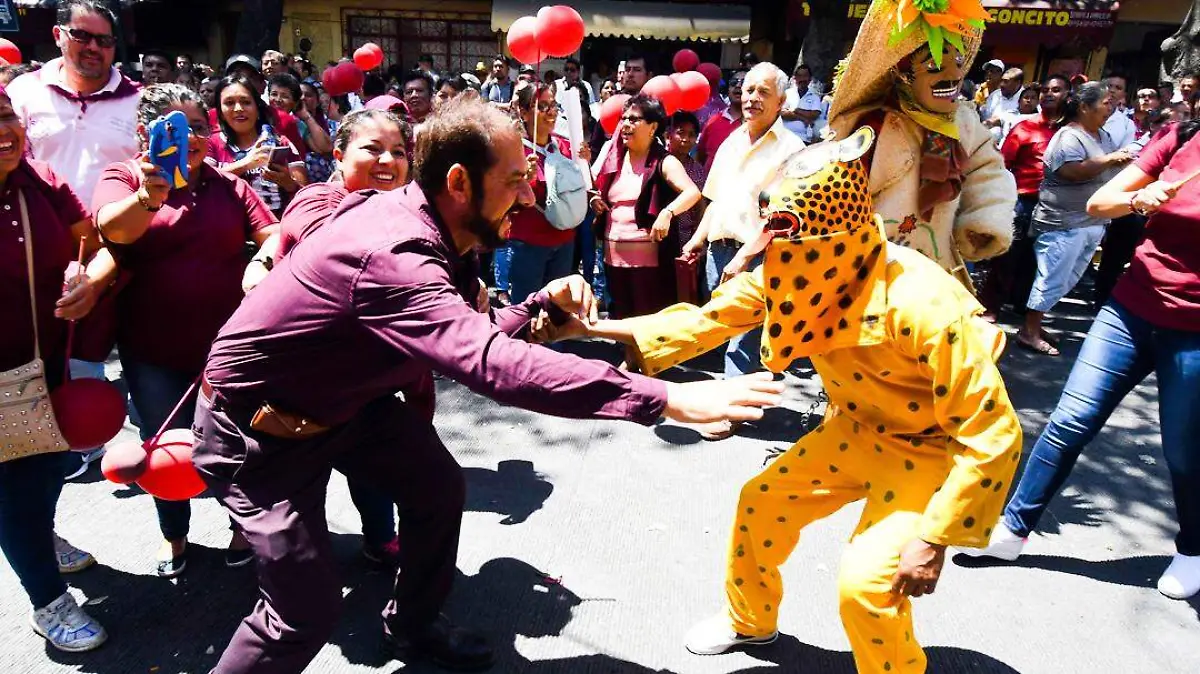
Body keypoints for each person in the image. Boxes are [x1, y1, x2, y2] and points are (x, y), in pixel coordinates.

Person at [191, 95, 783, 674]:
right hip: (257, 431)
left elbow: (464, 335)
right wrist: (667, 397)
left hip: (346, 405)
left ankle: (414, 625)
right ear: (458, 182)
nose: (529, 194)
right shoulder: (395, 253)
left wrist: (538, 308)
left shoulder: (427, 226)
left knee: (437, 488)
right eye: (514, 180)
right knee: (302, 612)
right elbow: (488, 363)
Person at [561, 127, 1021, 674]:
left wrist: (936, 535)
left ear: (833, 238)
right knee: (761, 504)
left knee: (866, 585)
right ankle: (749, 621)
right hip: (852, 432)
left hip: (927, 453)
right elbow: (704, 320)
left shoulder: (923, 302)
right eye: (771, 229)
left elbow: (993, 432)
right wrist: (587, 330)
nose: (771, 250)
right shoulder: (795, 274)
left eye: (785, 233)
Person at [966, 115, 1200, 601]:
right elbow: (1099, 202)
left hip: (1194, 333)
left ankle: (1193, 549)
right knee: (1070, 420)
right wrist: (1140, 198)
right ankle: (1013, 530)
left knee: (1183, 450)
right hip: (1130, 310)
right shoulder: (1181, 136)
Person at [94, 83, 279, 576]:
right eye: (175, 128)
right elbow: (113, 229)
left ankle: (241, 528)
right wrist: (148, 196)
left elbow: (275, 232)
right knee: (163, 447)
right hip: (151, 351)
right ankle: (174, 536)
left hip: (225, 349)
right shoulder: (126, 176)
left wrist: (260, 259)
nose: (190, 138)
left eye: (198, 127)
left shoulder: (227, 184)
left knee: (235, 443)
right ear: (145, 133)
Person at [273, 110, 414, 566]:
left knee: (373, 471)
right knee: (301, 478)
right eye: (372, 149)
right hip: (302, 380)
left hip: (367, 379)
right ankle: (300, 566)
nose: (387, 161)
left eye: (399, 152)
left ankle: (380, 539)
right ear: (338, 154)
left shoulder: (405, 214)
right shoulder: (315, 200)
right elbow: (344, 258)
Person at [7, 0, 140, 477]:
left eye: (105, 40)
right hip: (32, 246)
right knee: (35, 359)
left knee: (90, 352)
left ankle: (83, 445)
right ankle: (37, 453)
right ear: (59, 34)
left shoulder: (136, 98)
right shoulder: (23, 92)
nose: (94, 48)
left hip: (110, 250)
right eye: (83, 36)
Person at [0, 82, 110, 654]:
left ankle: (37, 536)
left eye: (5, 116)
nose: (3, 132)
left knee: (48, 468)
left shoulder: (40, 180)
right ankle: (47, 600)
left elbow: (91, 241)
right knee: (14, 485)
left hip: (47, 365)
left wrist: (89, 280)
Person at [826, 0, 1017, 289]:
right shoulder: (875, 127)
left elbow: (988, 168)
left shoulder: (963, 121)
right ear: (902, 74)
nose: (953, 75)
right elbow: (837, 204)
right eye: (935, 65)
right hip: (872, 279)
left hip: (936, 274)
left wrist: (984, 218)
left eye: (958, 61)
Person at [679, 63, 803, 441]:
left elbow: (783, 218)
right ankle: (744, 399)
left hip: (761, 256)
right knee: (723, 330)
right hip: (721, 251)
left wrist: (744, 257)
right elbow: (715, 200)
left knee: (743, 337)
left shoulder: (792, 149)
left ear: (781, 100)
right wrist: (697, 240)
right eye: (748, 90)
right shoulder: (731, 140)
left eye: (763, 92)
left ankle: (731, 413)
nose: (752, 98)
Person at [1016, 82, 1133, 355]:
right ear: (1083, 107)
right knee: (1051, 278)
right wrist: (1110, 160)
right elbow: (1071, 172)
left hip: (1091, 222)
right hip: (1062, 223)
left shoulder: (1101, 136)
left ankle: (1036, 325)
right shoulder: (1068, 137)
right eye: (1105, 102)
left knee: (1068, 279)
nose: (1111, 106)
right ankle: (1029, 331)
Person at [591, 95, 701, 317]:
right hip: (613, 261)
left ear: (652, 127)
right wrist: (595, 200)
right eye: (623, 119)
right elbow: (597, 190)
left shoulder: (665, 161)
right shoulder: (616, 159)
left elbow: (693, 193)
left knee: (645, 326)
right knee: (621, 323)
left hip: (649, 267)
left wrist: (667, 212)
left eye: (634, 119)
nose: (626, 125)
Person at [980, 74, 1069, 322]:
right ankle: (991, 306)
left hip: (1055, 206)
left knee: (1037, 258)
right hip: (1023, 202)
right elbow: (1002, 163)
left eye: (1056, 90)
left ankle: (1021, 304)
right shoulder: (1025, 127)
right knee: (1007, 255)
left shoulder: (1071, 132)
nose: (1049, 94)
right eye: (1045, 90)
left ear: (1067, 96)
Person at [507, 83, 589, 303]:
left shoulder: (564, 146)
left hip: (564, 240)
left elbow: (580, 187)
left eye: (553, 105)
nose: (551, 112)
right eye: (542, 106)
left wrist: (584, 164)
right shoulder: (512, 150)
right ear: (523, 112)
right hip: (528, 243)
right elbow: (501, 198)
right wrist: (525, 181)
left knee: (557, 309)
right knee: (527, 309)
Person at [208, 74, 308, 217]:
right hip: (227, 229)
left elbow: (304, 194)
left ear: (257, 107)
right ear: (221, 112)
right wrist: (246, 164)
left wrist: (289, 183)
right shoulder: (212, 144)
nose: (238, 109)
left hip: (276, 229)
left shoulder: (281, 142)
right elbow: (202, 184)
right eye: (229, 103)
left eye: (246, 102)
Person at [665, 111, 708, 246]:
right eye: (681, 133)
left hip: (686, 237)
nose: (685, 139)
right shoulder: (658, 163)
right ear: (668, 135)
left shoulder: (697, 170)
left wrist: (698, 237)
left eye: (691, 135)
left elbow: (701, 206)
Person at [695, 70, 745, 172]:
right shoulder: (713, 121)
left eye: (744, 82)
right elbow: (700, 156)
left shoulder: (757, 125)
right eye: (734, 82)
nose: (738, 85)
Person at [781, 64, 822, 143]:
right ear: (795, 78)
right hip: (786, 136)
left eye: (805, 76)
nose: (802, 79)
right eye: (799, 76)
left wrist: (796, 110)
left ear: (810, 79)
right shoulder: (787, 94)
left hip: (804, 138)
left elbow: (814, 114)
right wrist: (803, 118)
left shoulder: (814, 97)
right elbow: (782, 113)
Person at [981, 67, 1024, 134]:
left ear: (1017, 83)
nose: (1001, 84)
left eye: (1006, 81)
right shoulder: (995, 94)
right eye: (1002, 80)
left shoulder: (1026, 100)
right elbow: (985, 115)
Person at [1102, 72, 1137, 150]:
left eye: (1118, 88)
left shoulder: (1127, 125)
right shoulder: (1085, 113)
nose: (1112, 90)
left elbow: (1123, 155)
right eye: (1109, 86)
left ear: (1124, 94)